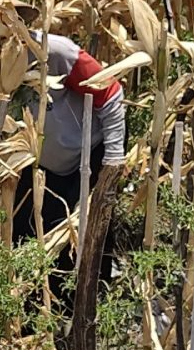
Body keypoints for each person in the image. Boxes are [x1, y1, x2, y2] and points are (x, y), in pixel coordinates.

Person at [14, 30, 126, 241]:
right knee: (24, 231)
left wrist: (112, 158)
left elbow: (110, 94)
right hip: (38, 161)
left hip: (89, 151)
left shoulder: (55, 51)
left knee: (89, 230)